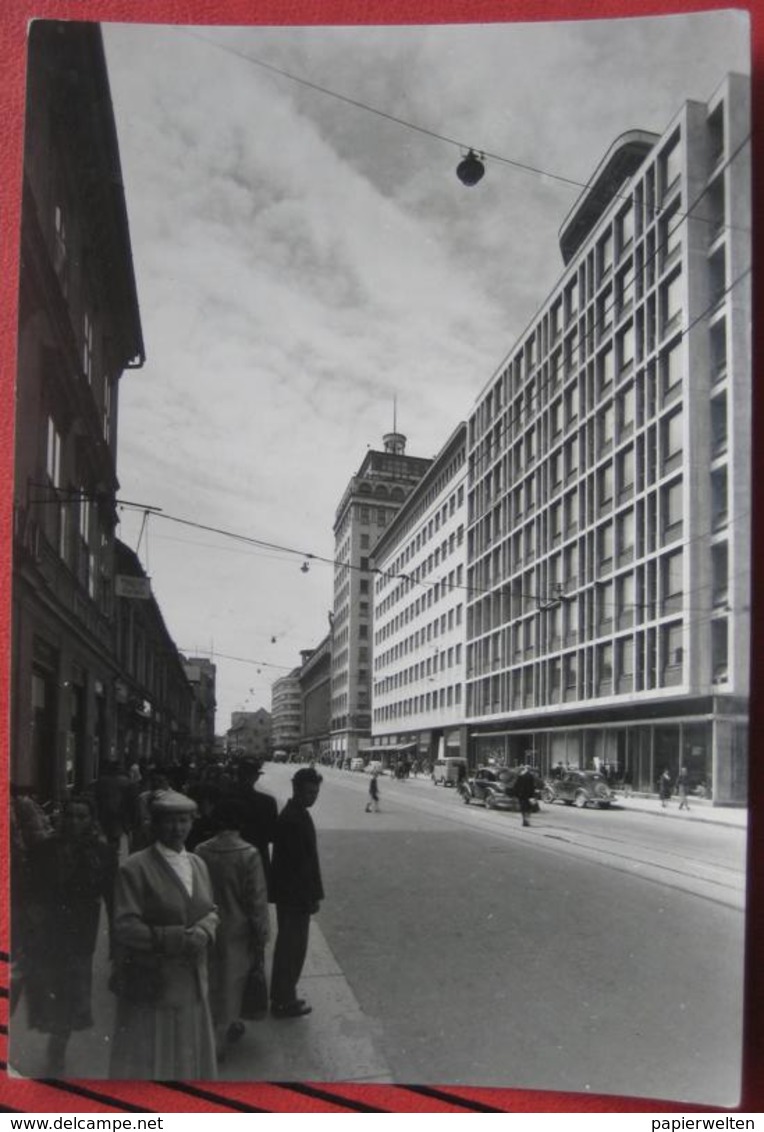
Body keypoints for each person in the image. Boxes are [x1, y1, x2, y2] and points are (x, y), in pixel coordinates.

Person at [109, 789, 219, 1080]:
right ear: (154, 825)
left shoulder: (198, 863)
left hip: (193, 984)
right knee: (152, 1064)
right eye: (170, 821)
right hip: (153, 985)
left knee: (187, 1061)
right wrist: (179, 938)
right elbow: (124, 927)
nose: (178, 828)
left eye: (184, 820)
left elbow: (211, 909)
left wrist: (206, 930)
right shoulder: (135, 867)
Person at [22, 796, 117, 1076]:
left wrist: (116, 942)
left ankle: (58, 1046)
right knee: (49, 990)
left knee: (72, 993)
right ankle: (55, 1037)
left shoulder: (102, 854)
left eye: (82, 816)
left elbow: (113, 899)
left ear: (91, 820)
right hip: (47, 933)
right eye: (70, 816)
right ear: (61, 818)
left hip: (80, 935)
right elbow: (28, 890)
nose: (75, 821)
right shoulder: (43, 849)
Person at [195, 798, 270, 1062]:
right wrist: (262, 934)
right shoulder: (249, 854)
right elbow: (257, 900)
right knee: (232, 982)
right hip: (238, 929)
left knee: (211, 979)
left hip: (206, 925)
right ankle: (219, 1042)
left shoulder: (201, 850)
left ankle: (216, 1029)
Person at [269, 767, 324, 1018]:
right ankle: (284, 1000)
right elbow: (299, 867)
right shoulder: (293, 818)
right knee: (292, 948)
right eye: (309, 792)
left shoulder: (298, 813)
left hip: (292, 895)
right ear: (296, 789)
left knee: (290, 947)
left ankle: (283, 996)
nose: (313, 797)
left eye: (316, 792)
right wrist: (311, 897)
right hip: (295, 897)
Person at [234, 758, 279, 899]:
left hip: (230, 861)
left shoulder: (224, 798)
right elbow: (273, 836)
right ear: (255, 777)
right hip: (258, 859)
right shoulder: (267, 802)